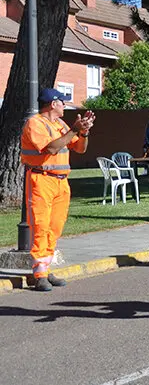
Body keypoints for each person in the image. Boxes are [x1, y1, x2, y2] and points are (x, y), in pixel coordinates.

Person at [20, 88, 95, 291]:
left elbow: (80, 148)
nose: (65, 105)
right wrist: (73, 129)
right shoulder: (35, 123)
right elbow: (51, 148)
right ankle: (39, 275)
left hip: (61, 182)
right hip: (41, 180)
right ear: (53, 104)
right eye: (63, 102)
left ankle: (45, 269)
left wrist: (84, 131)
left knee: (54, 228)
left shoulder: (60, 124)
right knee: (41, 227)